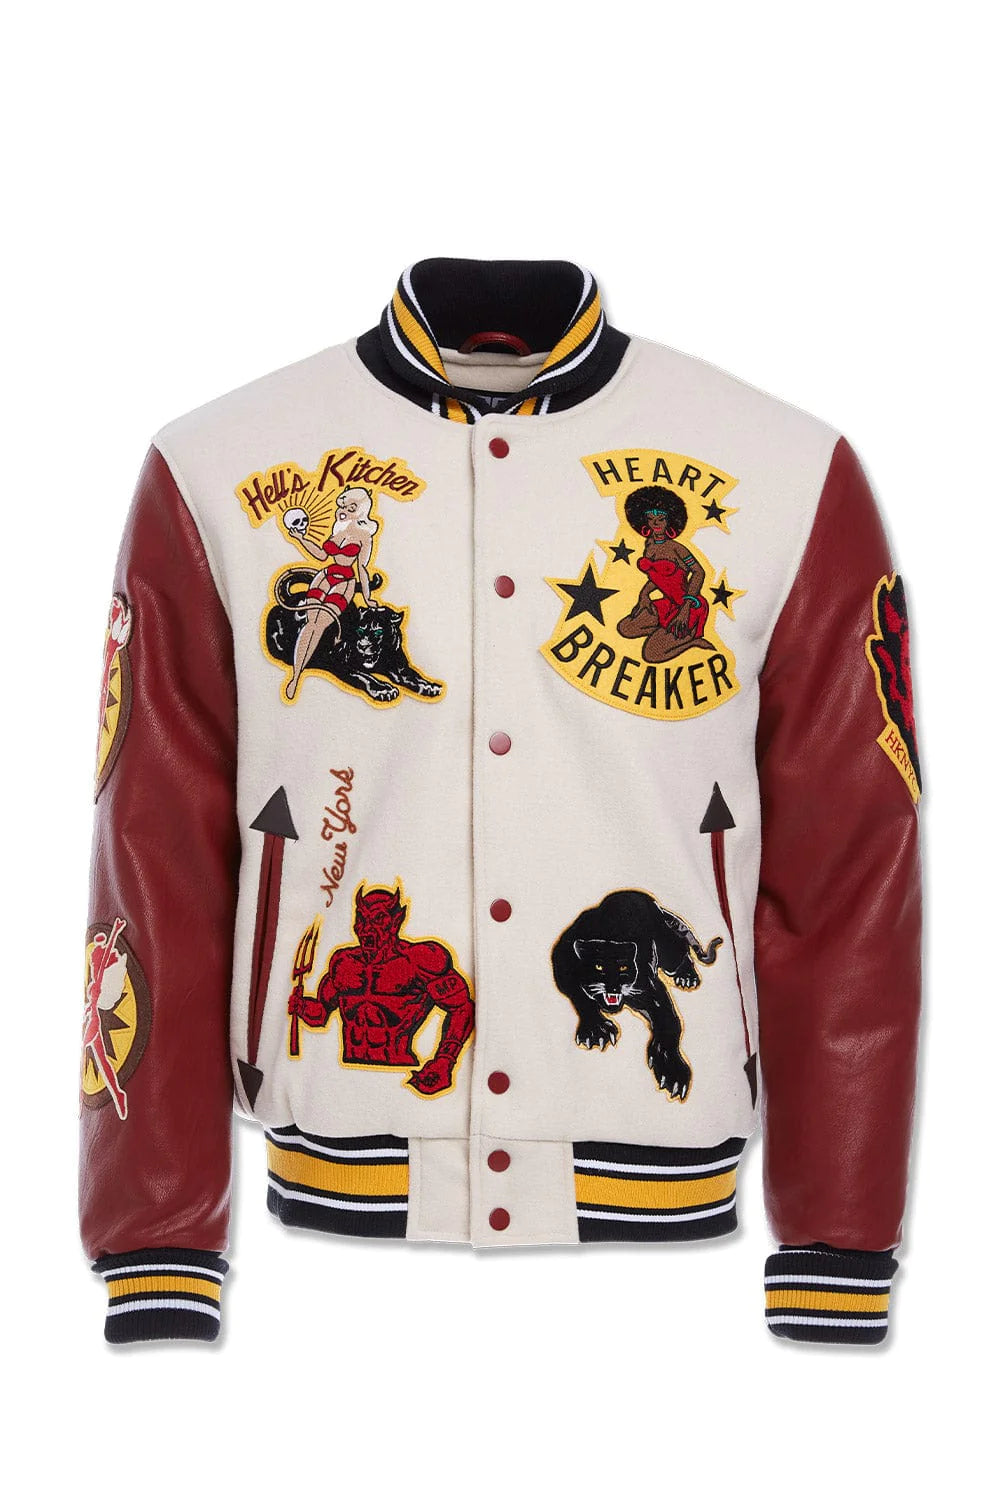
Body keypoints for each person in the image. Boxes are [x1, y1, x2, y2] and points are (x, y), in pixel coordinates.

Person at [281, 486, 378, 699]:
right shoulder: (338, 532)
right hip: (324, 575)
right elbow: (321, 555)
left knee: (320, 623)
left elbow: (362, 568)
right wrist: (301, 539)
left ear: (360, 511)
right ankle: (296, 675)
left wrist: (368, 597)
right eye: (343, 505)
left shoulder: (364, 537)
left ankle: (297, 676)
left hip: (345, 582)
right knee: (311, 622)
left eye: (351, 507)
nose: (344, 510)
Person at [616, 485, 712, 663]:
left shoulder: (676, 548)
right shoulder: (649, 545)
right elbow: (659, 578)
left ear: (669, 521)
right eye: (651, 518)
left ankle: (691, 641)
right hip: (668, 604)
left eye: (661, 518)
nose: (656, 523)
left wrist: (685, 608)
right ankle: (664, 632)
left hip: (690, 607)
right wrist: (644, 594)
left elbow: (699, 572)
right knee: (625, 628)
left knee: (651, 654)